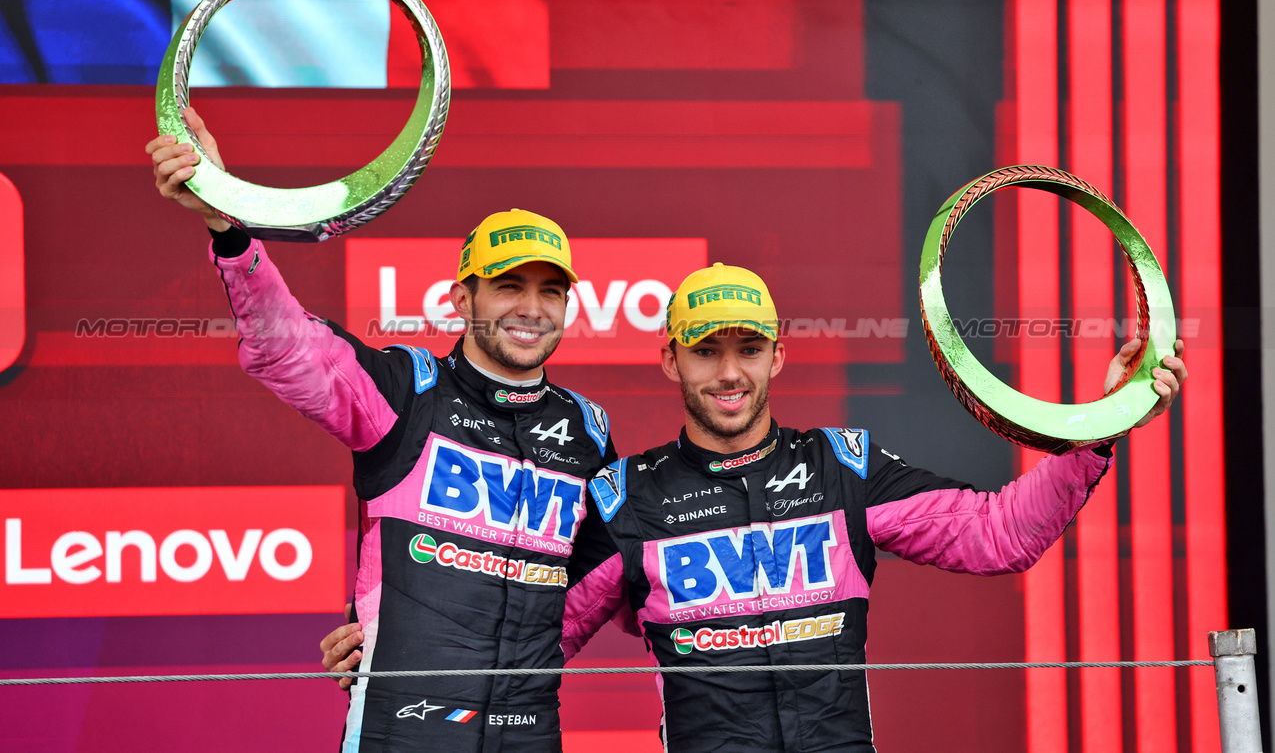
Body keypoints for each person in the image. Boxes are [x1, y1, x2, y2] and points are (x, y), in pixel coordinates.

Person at [552, 263, 1181, 752]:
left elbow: (999, 535)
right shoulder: (628, 495)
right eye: (705, 350)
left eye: (748, 349)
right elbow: (528, 645)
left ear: (777, 355)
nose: (728, 373)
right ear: (671, 360)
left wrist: (1102, 425)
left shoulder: (842, 466)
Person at [147, 111, 619, 753]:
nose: (531, 308)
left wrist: (537, 645)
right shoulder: (407, 390)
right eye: (508, 286)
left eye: (550, 290)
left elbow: (607, 569)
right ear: (461, 298)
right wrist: (227, 225)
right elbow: (293, 349)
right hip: (403, 726)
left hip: (526, 729)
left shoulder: (586, 430)